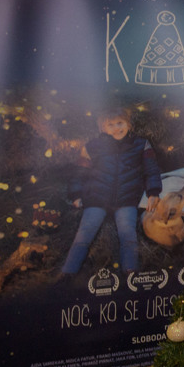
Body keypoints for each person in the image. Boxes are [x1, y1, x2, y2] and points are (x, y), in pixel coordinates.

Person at [61, 107, 162, 276]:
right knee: (84, 235)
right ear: (103, 128)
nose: (116, 128)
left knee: (127, 234)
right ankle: (67, 273)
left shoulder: (141, 144)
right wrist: (76, 194)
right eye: (111, 125)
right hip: (97, 197)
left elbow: (151, 169)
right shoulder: (93, 146)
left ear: (128, 124)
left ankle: (131, 272)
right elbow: (79, 171)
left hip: (126, 198)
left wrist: (153, 192)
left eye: (120, 123)